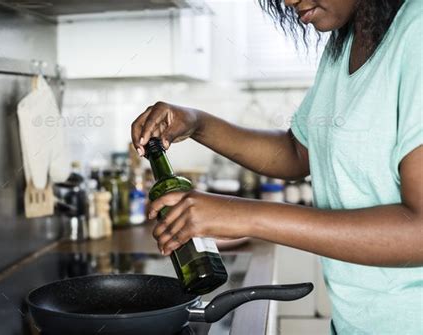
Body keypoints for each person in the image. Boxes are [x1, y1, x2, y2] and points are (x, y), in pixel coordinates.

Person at [131, 0, 422, 334]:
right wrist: (196, 123)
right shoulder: (345, 41)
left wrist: (242, 215)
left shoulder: (417, 31)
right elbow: (297, 151)